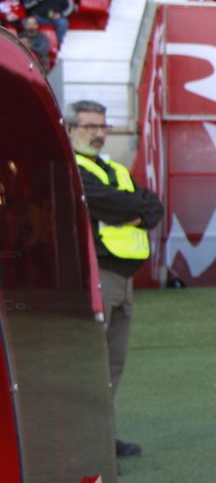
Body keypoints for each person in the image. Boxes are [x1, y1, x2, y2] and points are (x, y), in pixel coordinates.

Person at [69, 100, 164, 459]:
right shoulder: (72, 169)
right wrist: (135, 209)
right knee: (93, 365)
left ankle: (101, 441)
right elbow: (123, 206)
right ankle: (86, 445)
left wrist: (134, 210)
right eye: (89, 126)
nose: (98, 133)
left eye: (103, 126)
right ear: (71, 128)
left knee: (112, 364)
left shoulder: (114, 169)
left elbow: (154, 206)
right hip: (96, 275)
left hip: (123, 280)